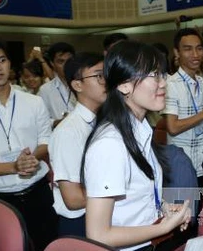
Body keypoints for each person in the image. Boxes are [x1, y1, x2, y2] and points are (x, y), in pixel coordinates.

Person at [81, 41, 190, 251]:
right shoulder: (109, 145)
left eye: (163, 74)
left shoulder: (138, 130)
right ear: (123, 85)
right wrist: (162, 228)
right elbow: (98, 235)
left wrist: (164, 210)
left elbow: (135, 196)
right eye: (153, 75)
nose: (163, 83)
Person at [0, 35, 57, 251]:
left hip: (38, 193)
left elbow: (46, 139)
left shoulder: (34, 102)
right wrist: (13, 167)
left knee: (49, 245)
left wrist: (32, 158)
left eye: (2, 60)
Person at [49, 52, 106, 237]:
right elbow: (73, 199)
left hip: (101, 213)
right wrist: (123, 188)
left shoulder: (101, 121)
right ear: (77, 85)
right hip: (80, 223)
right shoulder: (68, 132)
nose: (106, 81)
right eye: (98, 76)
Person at [163, 28, 203, 188]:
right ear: (176, 52)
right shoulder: (170, 85)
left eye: (199, 48)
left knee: (200, 212)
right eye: (188, 49)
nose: (196, 54)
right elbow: (173, 127)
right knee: (182, 212)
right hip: (181, 165)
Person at [38, 42, 76, 126]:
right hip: (58, 134)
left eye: (69, 61)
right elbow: (40, 119)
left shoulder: (84, 84)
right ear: (52, 63)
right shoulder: (45, 90)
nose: (66, 65)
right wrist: (56, 122)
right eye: (61, 61)